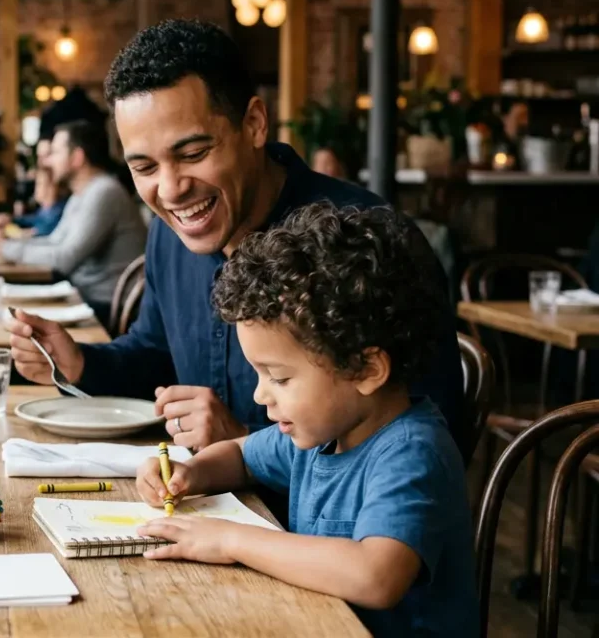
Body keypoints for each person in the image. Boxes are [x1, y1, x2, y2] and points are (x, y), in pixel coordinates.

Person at [5, 20, 468, 458]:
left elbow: (431, 439)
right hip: (208, 512)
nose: (170, 190)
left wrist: (246, 444)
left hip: (330, 535)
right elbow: (155, 354)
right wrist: (80, 363)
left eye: (193, 153)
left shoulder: (366, 241)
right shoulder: (172, 236)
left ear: (254, 125)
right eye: (144, 167)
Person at [136, 203, 477, 637]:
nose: (261, 396)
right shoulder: (325, 433)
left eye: (278, 377)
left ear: (366, 370)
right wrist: (189, 473)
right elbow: (240, 455)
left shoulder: (412, 452)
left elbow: (376, 577)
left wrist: (230, 540)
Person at [0, 120, 147, 318]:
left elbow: (65, 259)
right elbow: (54, 242)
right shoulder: (82, 193)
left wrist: (3, 247)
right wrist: (7, 242)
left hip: (106, 308)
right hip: (83, 299)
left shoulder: (104, 192)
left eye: (56, 153)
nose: (48, 162)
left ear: (77, 157)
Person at [0, 138, 68, 238]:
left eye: (40, 184)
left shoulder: (59, 210)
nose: (36, 189)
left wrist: (25, 233)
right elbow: (35, 219)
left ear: (54, 187)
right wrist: (11, 219)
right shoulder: (45, 209)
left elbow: (46, 230)